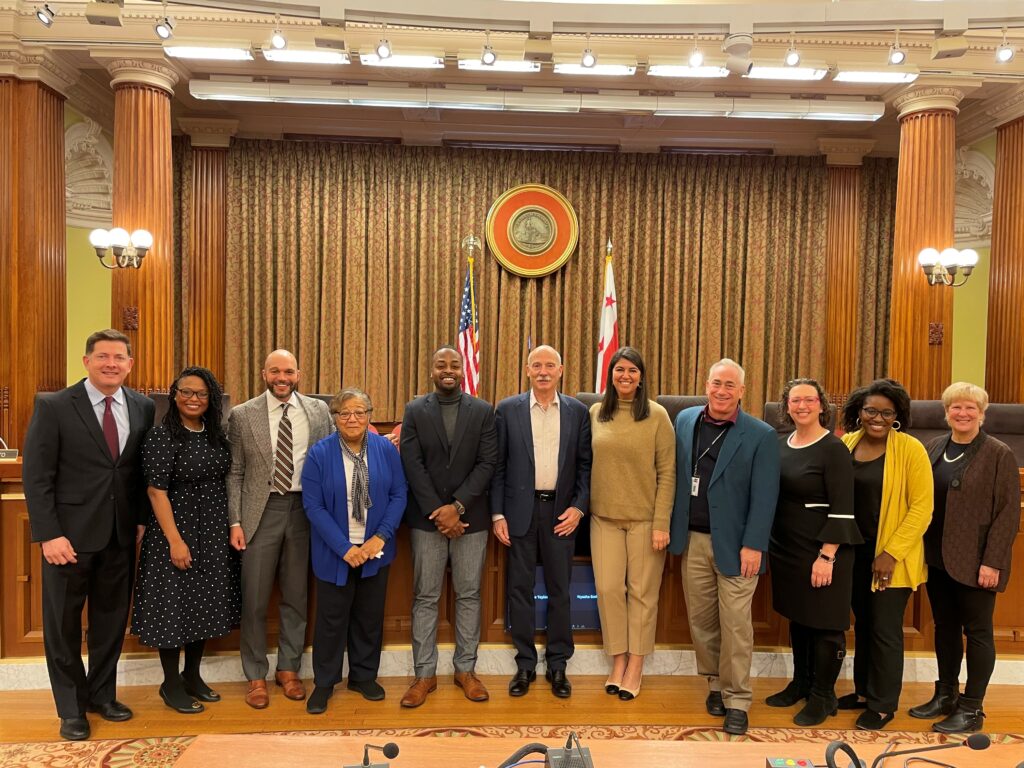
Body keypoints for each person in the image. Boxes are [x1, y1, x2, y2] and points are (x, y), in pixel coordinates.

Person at [23, 329, 156, 741]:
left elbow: (135, 472)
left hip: (118, 538)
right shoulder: (55, 405)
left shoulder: (144, 406)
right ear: (86, 361)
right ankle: (70, 708)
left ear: (130, 364)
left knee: (110, 623)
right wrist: (49, 535)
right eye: (102, 357)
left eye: (119, 357)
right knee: (62, 627)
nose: (111, 364)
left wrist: (138, 518)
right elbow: (37, 476)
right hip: (67, 540)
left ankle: (102, 696)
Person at [668, 358, 779, 736]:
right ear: (706, 384)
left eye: (730, 385)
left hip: (737, 545)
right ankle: (714, 684)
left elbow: (766, 497)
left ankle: (737, 699)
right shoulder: (685, 421)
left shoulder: (761, 434)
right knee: (702, 622)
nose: (722, 391)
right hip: (693, 540)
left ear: (742, 392)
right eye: (717, 383)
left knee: (736, 626)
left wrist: (754, 545)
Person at [908, 382, 1020, 733]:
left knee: (979, 633)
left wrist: (993, 562)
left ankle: (971, 709)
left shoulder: (998, 452)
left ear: (983, 413)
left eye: (971, 407)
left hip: (977, 561)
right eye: (956, 407)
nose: (963, 413)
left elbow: (1008, 514)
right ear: (946, 412)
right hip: (939, 556)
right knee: (945, 628)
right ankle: (945, 695)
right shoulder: (935, 447)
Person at [227, 349, 333, 708]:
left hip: (306, 511)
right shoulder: (243, 415)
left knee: (296, 596)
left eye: (288, 371)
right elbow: (236, 471)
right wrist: (235, 521)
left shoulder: (318, 411)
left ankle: (289, 669)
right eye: (275, 371)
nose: (282, 377)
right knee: (254, 598)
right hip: (262, 511)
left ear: (299, 374)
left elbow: (336, 454)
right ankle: (255, 674)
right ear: (264, 373)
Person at [132, 367, 240, 714]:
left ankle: (192, 675)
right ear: (174, 394)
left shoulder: (216, 435)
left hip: (211, 531)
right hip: (175, 532)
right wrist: (175, 541)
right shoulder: (162, 437)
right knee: (174, 610)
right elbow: (155, 491)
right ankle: (170, 683)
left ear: (211, 399)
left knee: (204, 606)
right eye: (186, 392)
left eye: (201, 394)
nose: (193, 399)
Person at [398, 346, 497, 708]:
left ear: (463, 369)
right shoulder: (414, 410)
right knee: (426, 596)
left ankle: (465, 670)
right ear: (432, 370)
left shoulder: (484, 411)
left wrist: (456, 508)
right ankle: (424, 675)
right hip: (427, 521)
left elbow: (488, 463)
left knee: (469, 594)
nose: (449, 370)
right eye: (441, 364)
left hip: (471, 519)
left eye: (455, 364)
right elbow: (412, 463)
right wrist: (439, 512)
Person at [492, 345, 592, 699]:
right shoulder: (507, 410)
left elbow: (585, 466)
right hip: (520, 512)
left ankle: (558, 664)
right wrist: (498, 513)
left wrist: (579, 508)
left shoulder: (579, 412)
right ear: (527, 369)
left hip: (561, 514)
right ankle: (524, 664)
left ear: (561, 370)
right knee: (518, 589)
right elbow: (498, 466)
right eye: (538, 365)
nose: (544, 371)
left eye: (550, 365)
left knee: (560, 590)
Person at [301, 388, 407, 714]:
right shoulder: (319, 454)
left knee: (368, 617)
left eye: (359, 412)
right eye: (345, 412)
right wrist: (345, 548)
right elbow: (313, 506)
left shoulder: (384, 449)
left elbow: (399, 493)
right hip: (335, 552)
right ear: (334, 417)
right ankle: (324, 683)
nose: (352, 418)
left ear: (369, 416)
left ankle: (363, 677)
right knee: (331, 620)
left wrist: (381, 537)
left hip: (376, 549)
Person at [766, 379, 861, 726]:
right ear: (786, 406)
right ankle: (801, 683)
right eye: (795, 400)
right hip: (788, 547)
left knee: (825, 624)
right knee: (800, 618)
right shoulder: (781, 443)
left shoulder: (833, 449)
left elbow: (843, 507)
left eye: (809, 400)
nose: (802, 406)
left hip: (823, 550)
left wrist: (827, 555)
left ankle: (824, 695)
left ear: (822, 405)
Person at [838, 379, 932, 731]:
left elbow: (922, 508)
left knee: (885, 629)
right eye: (871, 410)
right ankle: (864, 692)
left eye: (886, 412)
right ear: (859, 412)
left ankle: (882, 704)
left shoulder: (910, 449)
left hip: (890, 558)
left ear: (897, 416)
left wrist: (891, 553)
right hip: (854, 554)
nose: (877, 418)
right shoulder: (848, 443)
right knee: (863, 625)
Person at [588, 346, 675, 701]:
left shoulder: (657, 416)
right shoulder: (596, 412)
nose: (626, 376)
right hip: (603, 518)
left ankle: (635, 666)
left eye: (632, 371)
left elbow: (668, 474)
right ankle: (618, 659)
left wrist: (661, 523)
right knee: (609, 592)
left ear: (641, 378)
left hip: (645, 521)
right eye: (620, 370)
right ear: (611, 375)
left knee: (642, 595)